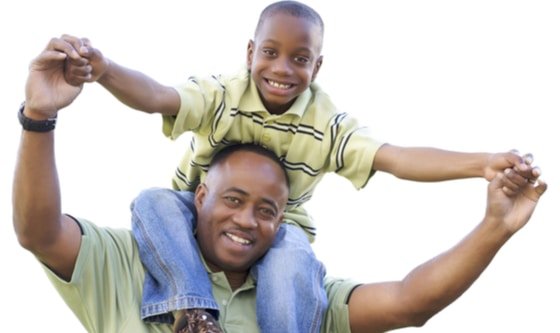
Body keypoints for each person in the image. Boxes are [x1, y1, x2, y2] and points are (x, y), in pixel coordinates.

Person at [13, 37, 547, 333]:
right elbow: (38, 231)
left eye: (267, 209)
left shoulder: (295, 287)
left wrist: (494, 222)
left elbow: (409, 301)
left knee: (292, 257)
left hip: (289, 282)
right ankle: (191, 312)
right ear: (201, 195)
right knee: (151, 201)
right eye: (233, 200)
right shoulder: (129, 264)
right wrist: (42, 114)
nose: (247, 219)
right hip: (168, 239)